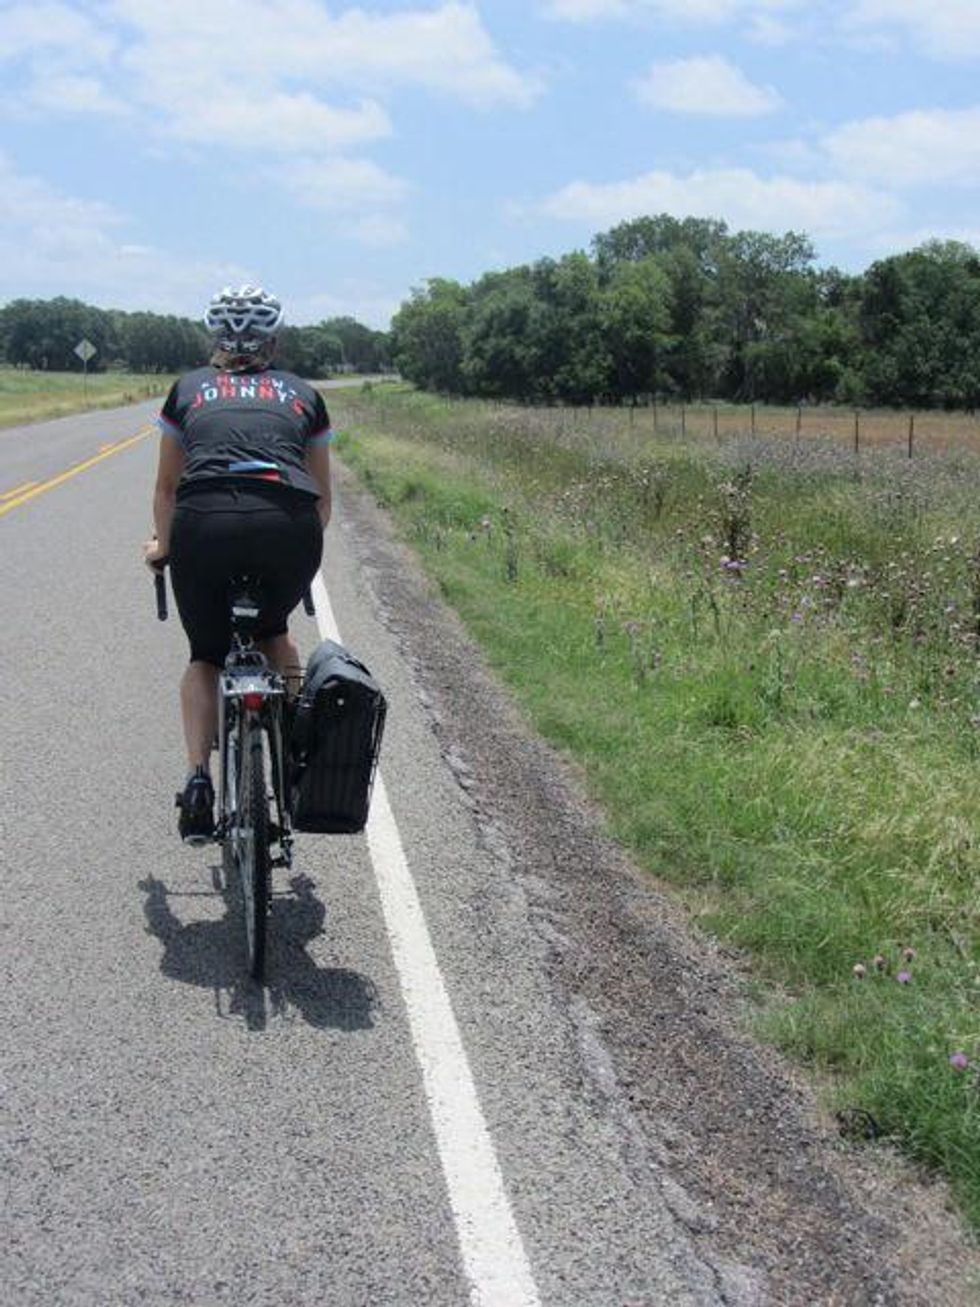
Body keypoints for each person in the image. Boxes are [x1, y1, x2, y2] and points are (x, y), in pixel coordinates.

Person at [143, 285, 332, 843]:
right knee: (276, 634)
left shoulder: (187, 391)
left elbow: (168, 487)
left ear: (214, 338)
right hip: (288, 528)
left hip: (203, 526)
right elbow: (322, 499)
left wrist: (164, 546)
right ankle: (297, 750)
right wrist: (295, 551)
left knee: (205, 655)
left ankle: (199, 781)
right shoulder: (303, 394)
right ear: (273, 337)